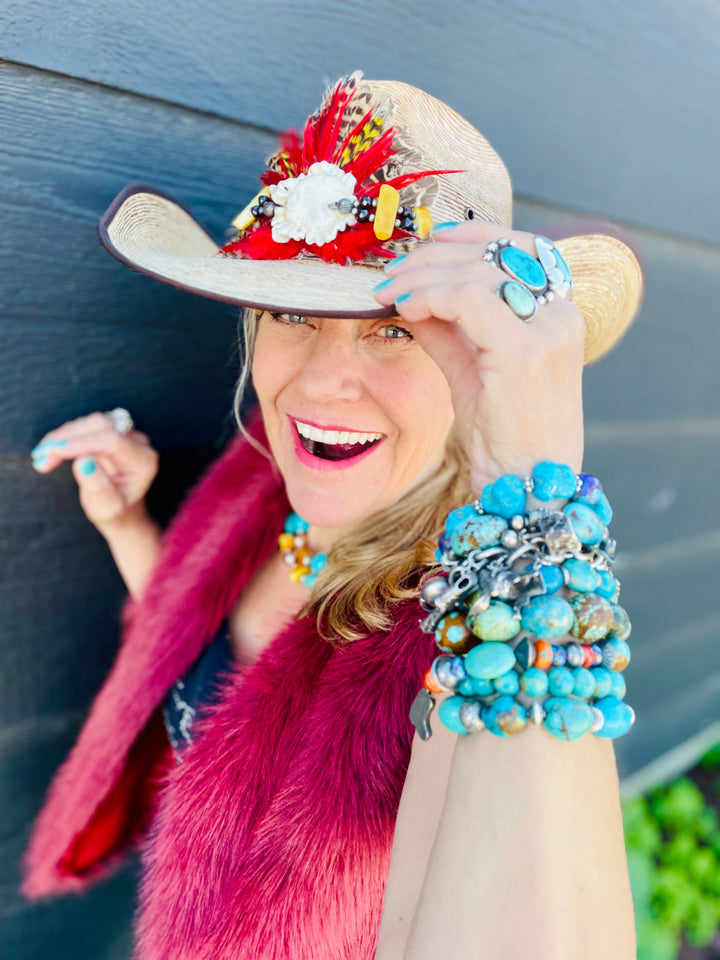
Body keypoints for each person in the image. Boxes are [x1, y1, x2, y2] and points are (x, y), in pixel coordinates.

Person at [21, 72, 643, 959]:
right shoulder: (259, 481)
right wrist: (131, 528)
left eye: (393, 327)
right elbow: (199, 654)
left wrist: (536, 492)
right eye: (290, 311)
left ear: (480, 361)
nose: (318, 383)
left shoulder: (465, 636)